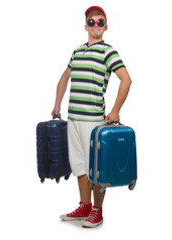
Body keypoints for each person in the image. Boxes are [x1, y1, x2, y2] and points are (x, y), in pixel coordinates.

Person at [52, 6, 134, 228]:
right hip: (73, 119)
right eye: (92, 21)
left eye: (100, 22)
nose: (95, 25)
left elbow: (126, 80)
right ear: (85, 26)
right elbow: (64, 77)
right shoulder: (77, 52)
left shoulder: (109, 52)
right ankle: (84, 206)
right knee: (79, 166)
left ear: (105, 27)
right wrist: (57, 104)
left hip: (93, 120)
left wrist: (116, 109)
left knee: (97, 168)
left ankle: (97, 211)